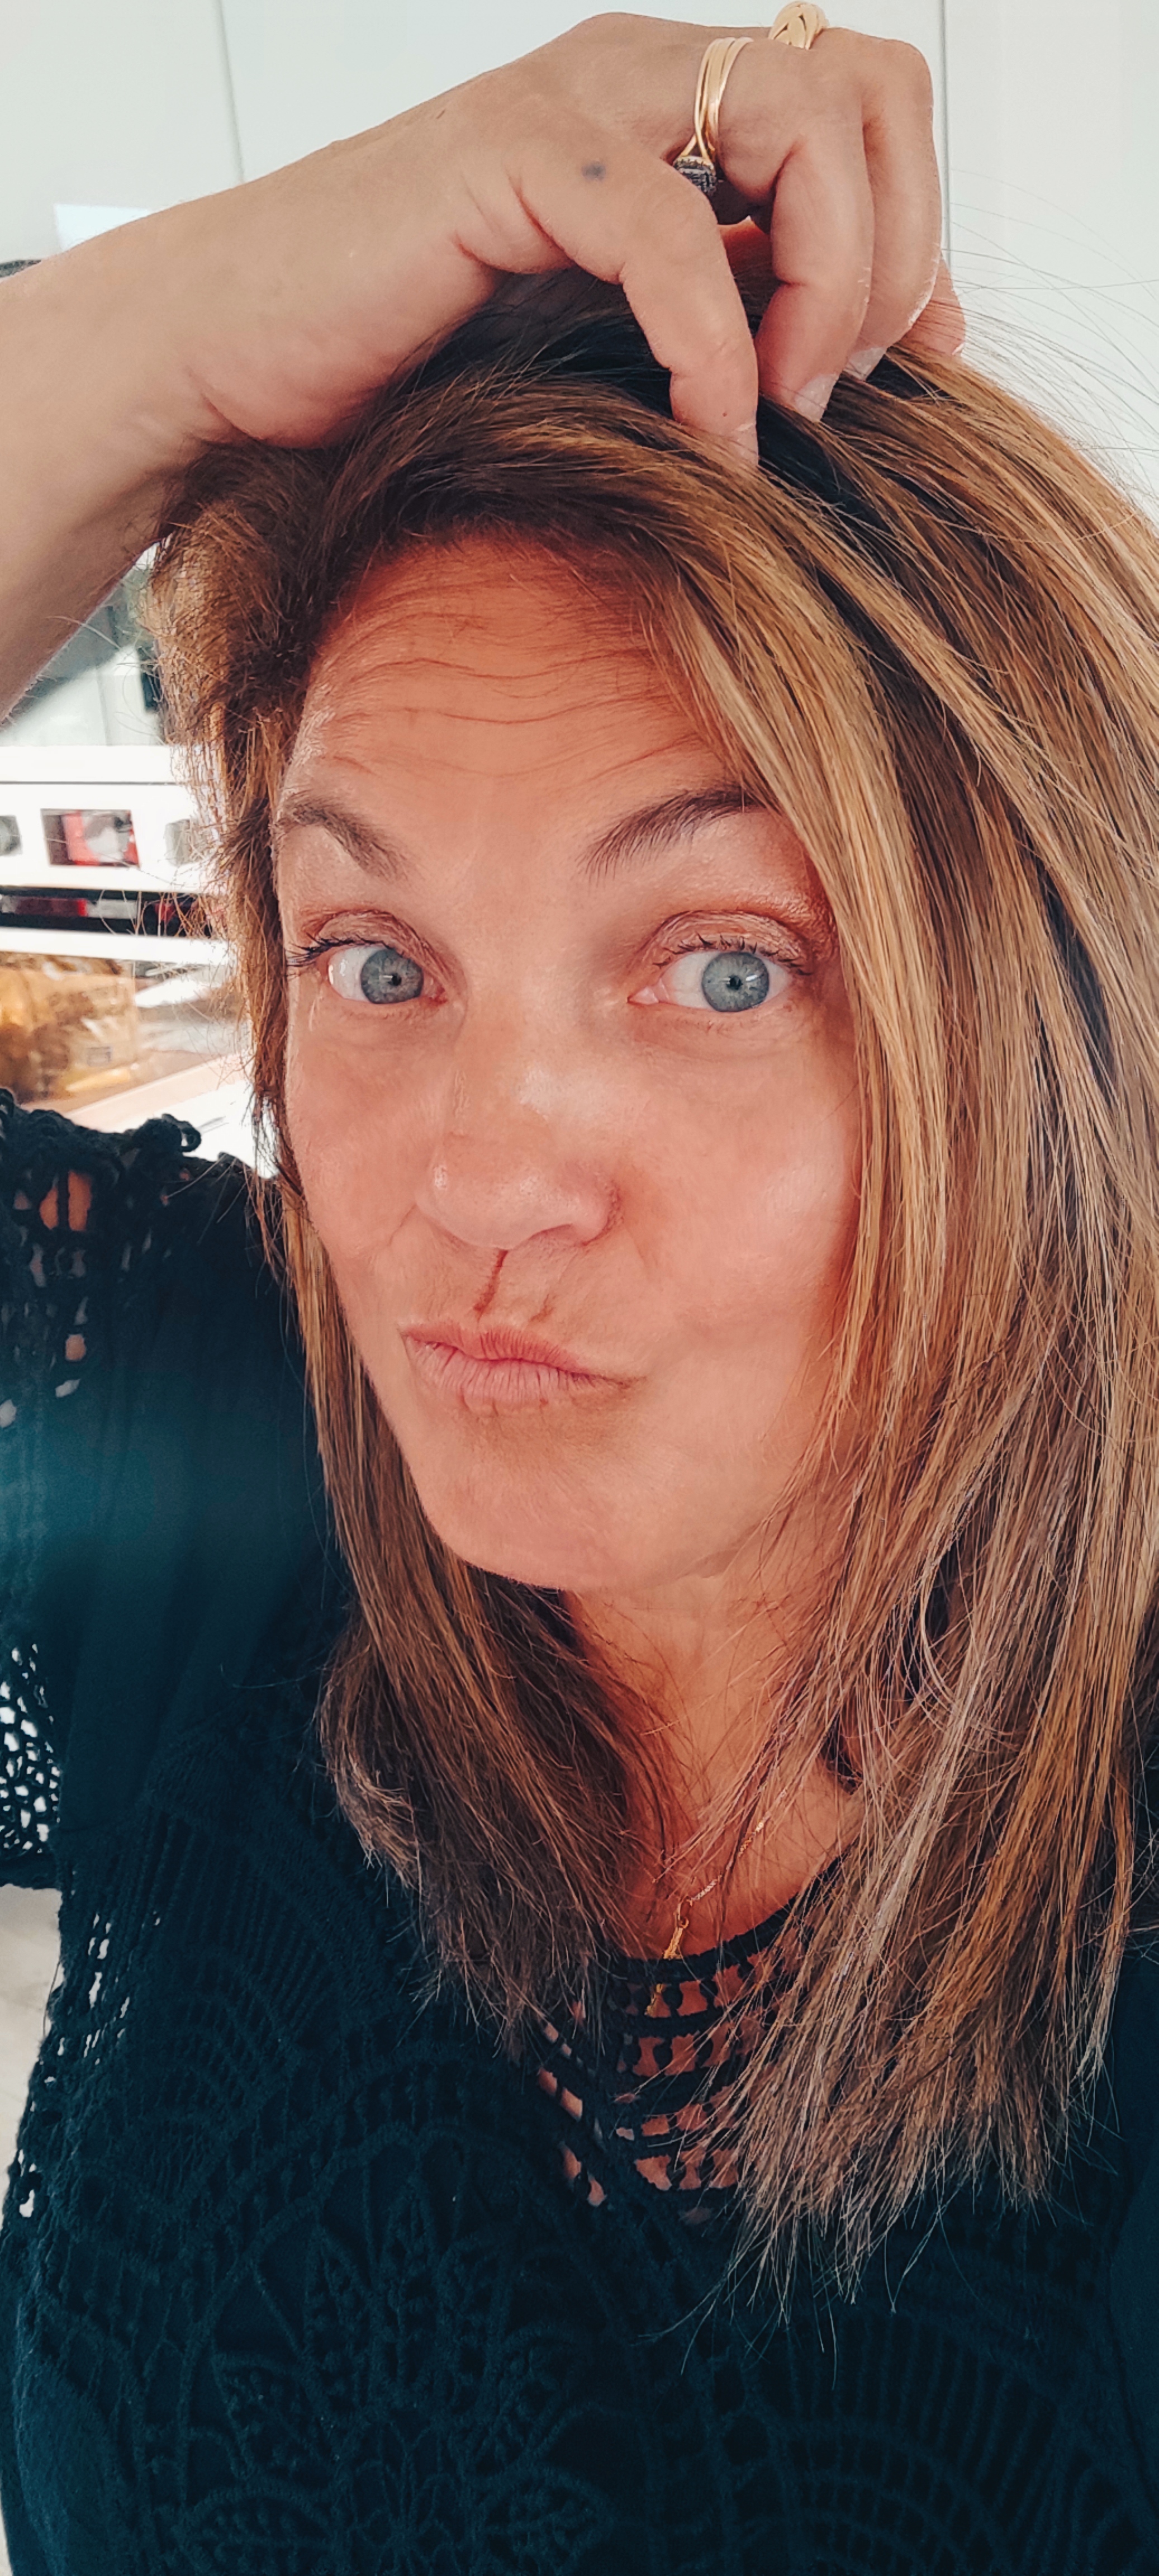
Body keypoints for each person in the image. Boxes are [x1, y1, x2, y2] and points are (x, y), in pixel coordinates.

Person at [2, 13, 1158, 2573]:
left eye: (724, 966)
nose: (474, 1184)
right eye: (377, 958)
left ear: (1052, 1039)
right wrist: (152, 343)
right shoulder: (204, 1477)